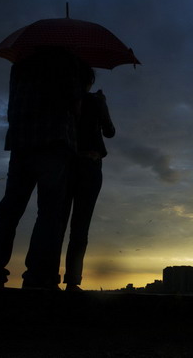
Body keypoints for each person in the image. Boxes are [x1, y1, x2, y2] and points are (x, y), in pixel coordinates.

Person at [0, 47, 87, 289]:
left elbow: (12, 105)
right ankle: (37, 275)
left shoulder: (20, 65)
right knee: (49, 213)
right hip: (54, 142)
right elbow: (74, 105)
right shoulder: (68, 64)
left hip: (21, 142)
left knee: (10, 208)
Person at [62, 67, 115, 291]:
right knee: (80, 226)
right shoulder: (95, 100)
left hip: (65, 164)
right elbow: (110, 131)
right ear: (89, 81)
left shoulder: (62, 101)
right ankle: (73, 280)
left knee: (56, 222)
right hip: (90, 164)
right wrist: (101, 103)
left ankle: (45, 277)